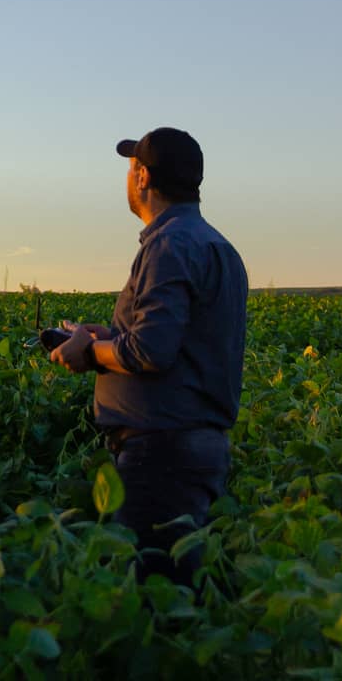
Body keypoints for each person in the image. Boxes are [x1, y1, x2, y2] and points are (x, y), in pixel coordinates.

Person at [49, 126, 248, 588]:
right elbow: (178, 341)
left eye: (131, 166)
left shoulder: (168, 244)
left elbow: (151, 351)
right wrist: (105, 335)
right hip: (193, 446)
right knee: (176, 589)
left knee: (154, 598)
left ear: (142, 177)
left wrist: (89, 352)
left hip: (162, 453)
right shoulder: (218, 246)